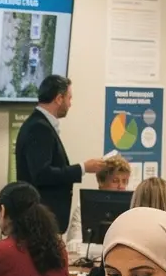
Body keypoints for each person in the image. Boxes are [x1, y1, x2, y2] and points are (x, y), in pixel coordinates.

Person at [14, 74, 106, 232]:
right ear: (58, 99)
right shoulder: (39, 128)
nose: (70, 104)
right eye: (69, 98)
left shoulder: (39, 124)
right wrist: (83, 168)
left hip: (42, 218)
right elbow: (42, 174)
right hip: (40, 219)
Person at [64, 155, 132, 253]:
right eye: (115, 181)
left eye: (125, 181)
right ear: (101, 182)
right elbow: (73, 243)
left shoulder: (130, 210)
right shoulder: (83, 208)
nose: (121, 186)